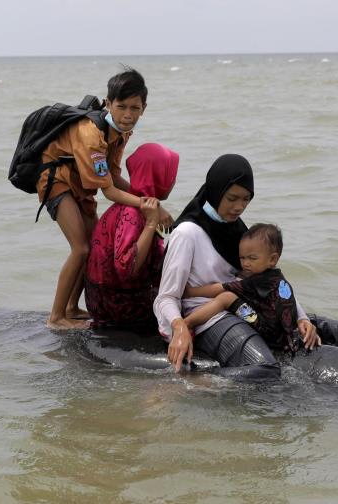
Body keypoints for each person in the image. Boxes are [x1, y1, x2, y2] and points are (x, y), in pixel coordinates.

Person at [154, 154, 321, 379]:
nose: (239, 207)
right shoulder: (187, 233)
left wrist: (301, 318)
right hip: (207, 319)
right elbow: (165, 297)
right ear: (216, 190)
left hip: (242, 306)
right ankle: (203, 382)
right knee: (266, 369)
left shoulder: (238, 231)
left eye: (246, 200)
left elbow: (268, 281)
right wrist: (180, 327)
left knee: (333, 330)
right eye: (232, 198)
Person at [35, 68, 173, 330]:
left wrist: (147, 199)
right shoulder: (91, 134)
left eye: (135, 107)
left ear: (144, 108)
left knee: (93, 245)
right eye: (121, 107)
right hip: (56, 181)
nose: (128, 115)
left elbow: (113, 176)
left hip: (82, 186)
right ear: (108, 104)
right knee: (81, 247)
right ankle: (56, 318)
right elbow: (109, 191)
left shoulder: (122, 132)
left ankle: (71, 307)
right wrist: (150, 208)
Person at [176, 223, 314, 355]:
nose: (245, 263)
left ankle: (187, 323)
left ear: (272, 259)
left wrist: (191, 292)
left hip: (268, 333)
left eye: (252, 258)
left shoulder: (257, 281)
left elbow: (222, 288)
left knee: (227, 297)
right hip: (283, 332)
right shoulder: (277, 278)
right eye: (242, 258)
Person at [85, 143, 178, 329]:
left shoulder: (134, 203)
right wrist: (151, 224)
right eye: (171, 174)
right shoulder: (133, 214)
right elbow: (127, 269)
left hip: (106, 299)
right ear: (159, 176)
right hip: (118, 306)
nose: (173, 180)